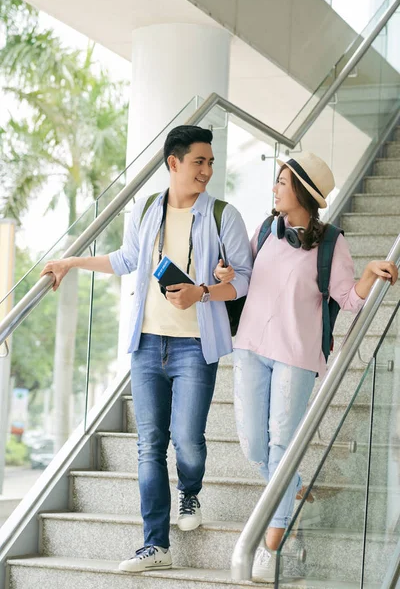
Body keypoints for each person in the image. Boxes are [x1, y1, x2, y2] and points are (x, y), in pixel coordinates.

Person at [40, 125, 252, 573]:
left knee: (188, 440)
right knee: (149, 445)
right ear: (173, 163)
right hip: (147, 343)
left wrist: (205, 292)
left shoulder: (223, 215)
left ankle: (190, 490)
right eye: (199, 161)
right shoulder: (147, 210)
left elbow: (246, 281)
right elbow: (126, 259)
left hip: (195, 345)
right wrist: (71, 261)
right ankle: (155, 545)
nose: (207, 170)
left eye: (211, 162)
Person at [215, 152, 398, 582]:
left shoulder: (332, 243)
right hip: (250, 349)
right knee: (253, 447)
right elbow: (243, 277)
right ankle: (292, 487)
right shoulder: (264, 230)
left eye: (282, 181)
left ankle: (270, 546)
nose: (275, 187)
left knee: (282, 445)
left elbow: (350, 300)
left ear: (301, 190)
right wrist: (225, 274)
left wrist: (369, 274)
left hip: (296, 356)